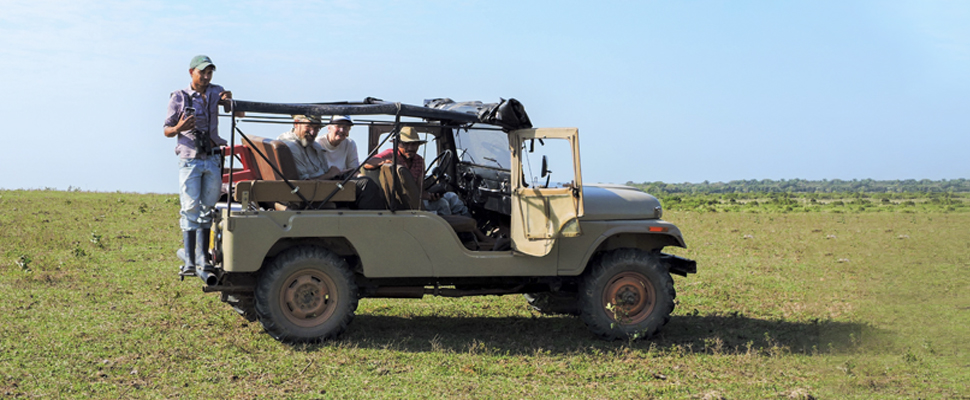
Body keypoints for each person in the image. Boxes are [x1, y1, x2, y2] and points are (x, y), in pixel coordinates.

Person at [163, 55, 231, 276]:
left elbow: (235, 112)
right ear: (191, 72)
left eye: (209, 72)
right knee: (190, 207)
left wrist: (229, 100)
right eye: (202, 72)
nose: (206, 76)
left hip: (211, 156)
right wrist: (180, 127)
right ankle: (191, 260)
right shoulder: (179, 97)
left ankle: (202, 257)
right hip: (190, 157)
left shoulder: (215, 91)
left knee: (207, 208)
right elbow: (167, 130)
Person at [277, 115, 386, 210]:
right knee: (366, 185)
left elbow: (325, 172)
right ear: (296, 123)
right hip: (315, 194)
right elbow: (305, 184)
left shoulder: (312, 144)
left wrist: (336, 174)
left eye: (316, 128)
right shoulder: (291, 146)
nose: (313, 132)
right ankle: (375, 227)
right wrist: (330, 174)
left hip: (323, 187)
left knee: (364, 182)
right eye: (308, 126)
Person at [364, 126, 469, 216]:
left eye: (414, 144)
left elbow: (419, 190)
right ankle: (450, 234)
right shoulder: (391, 154)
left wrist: (430, 196)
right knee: (442, 204)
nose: (410, 148)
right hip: (402, 202)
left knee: (452, 197)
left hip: (416, 197)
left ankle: (468, 228)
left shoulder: (419, 161)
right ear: (398, 144)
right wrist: (385, 161)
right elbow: (368, 162)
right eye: (405, 144)